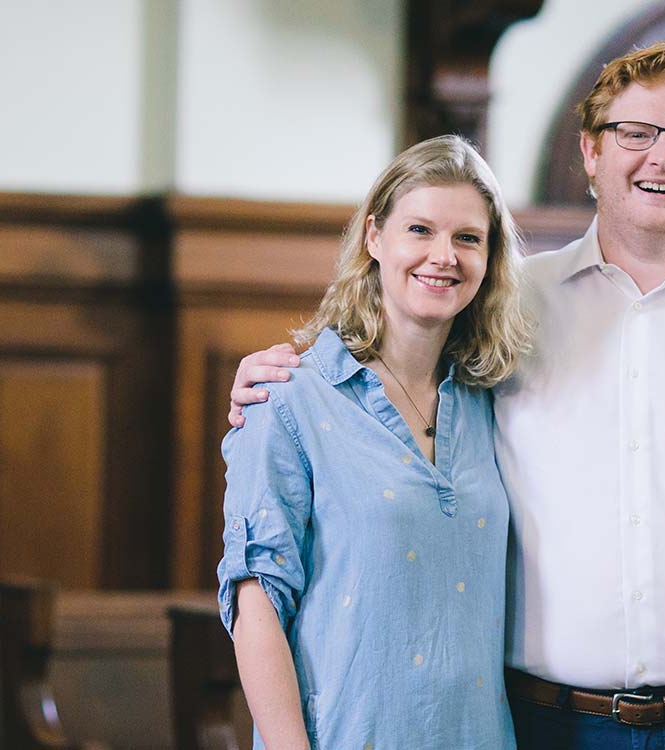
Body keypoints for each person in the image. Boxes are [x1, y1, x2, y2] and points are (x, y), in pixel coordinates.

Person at [230, 42, 665, 749]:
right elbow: (386, 366)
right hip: (550, 726)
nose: (661, 158)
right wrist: (277, 378)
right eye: (634, 134)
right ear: (591, 153)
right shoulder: (511, 309)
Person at [216, 134, 533, 750]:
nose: (444, 255)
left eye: (468, 237)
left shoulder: (492, 403)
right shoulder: (285, 397)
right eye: (420, 229)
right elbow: (256, 606)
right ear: (374, 237)